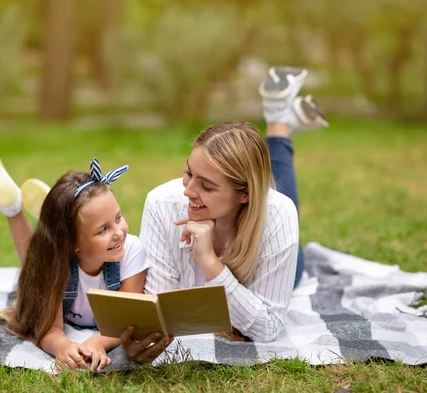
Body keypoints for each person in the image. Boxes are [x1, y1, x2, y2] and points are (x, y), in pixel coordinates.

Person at [122, 66, 328, 358]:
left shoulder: (276, 216)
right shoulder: (161, 203)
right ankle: (283, 123)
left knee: (283, 199)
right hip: (255, 202)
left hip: (276, 244)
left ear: (246, 194)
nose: (188, 191)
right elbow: (160, 310)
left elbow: (267, 327)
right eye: (188, 173)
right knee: (269, 181)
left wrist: (210, 262)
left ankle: (279, 120)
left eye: (206, 186)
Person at [0, 156, 152, 371]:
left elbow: (127, 318)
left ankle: (53, 216)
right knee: (33, 262)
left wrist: (96, 343)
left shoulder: (131, 249)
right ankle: (13, 209)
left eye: (118, 217)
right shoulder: (56, 261)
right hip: (60, 255)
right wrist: (62, 346)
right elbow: (48, 329)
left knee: (38, 256)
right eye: (103, 229)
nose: (118, 232)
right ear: (73, 244)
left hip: (71, 242)